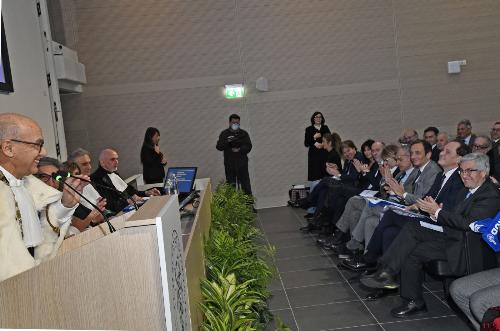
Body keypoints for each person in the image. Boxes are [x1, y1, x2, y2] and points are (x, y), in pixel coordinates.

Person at [361, 153, 500, 318]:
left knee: (412, 243)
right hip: (452, 236)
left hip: (466, 247)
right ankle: (400, 287)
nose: (464, 175)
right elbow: (454, 215)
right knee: (411, 236)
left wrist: (437, 212)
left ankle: (387, 273)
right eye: (462, 171)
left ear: (483, 172)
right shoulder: (467, 190)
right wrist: (434, 212)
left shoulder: (490, 195)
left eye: (470, 171)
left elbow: (468, 223)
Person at [0, 113, 87, 282]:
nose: (44, 152)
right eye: (37, 145)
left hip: (37, 283)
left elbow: (41, 242)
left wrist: (65, 205)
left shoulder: (30, 187)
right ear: (8, 148)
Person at [91, 149, 160, 214]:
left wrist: (146, 193)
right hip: (119, 214)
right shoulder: (96, 179)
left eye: (117, 159)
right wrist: (127, 201)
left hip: (131, 208)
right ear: (102, 163)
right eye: (112, 159)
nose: (116, 161)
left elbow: (130, 191)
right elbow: (108, 204)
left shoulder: (115, 173)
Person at [216, 114, 253, 195]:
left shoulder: (244, 134)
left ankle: (249, 206)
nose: (235, 124)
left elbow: (249, 146)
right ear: (229, 123)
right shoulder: (224, 134)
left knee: (246, 185)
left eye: (237, 123)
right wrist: (228, 141)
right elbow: (219, 147)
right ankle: (232, 207)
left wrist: (239, 149)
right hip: (229, 164)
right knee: (231, 186)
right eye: (234, 123)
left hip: (242, 164)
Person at [304, 112, 331, 181]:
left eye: (320, 117)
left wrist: (322, 144)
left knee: (325, 173)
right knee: (315, 174)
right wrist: (314, 138)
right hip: (314, 155)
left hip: (324, 153)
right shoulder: (309, 129)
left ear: (322, 119)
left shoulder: (325, 128)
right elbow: (306, 143)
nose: (318, 118)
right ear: (313, 118)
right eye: (316, 117)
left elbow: (330, 139)